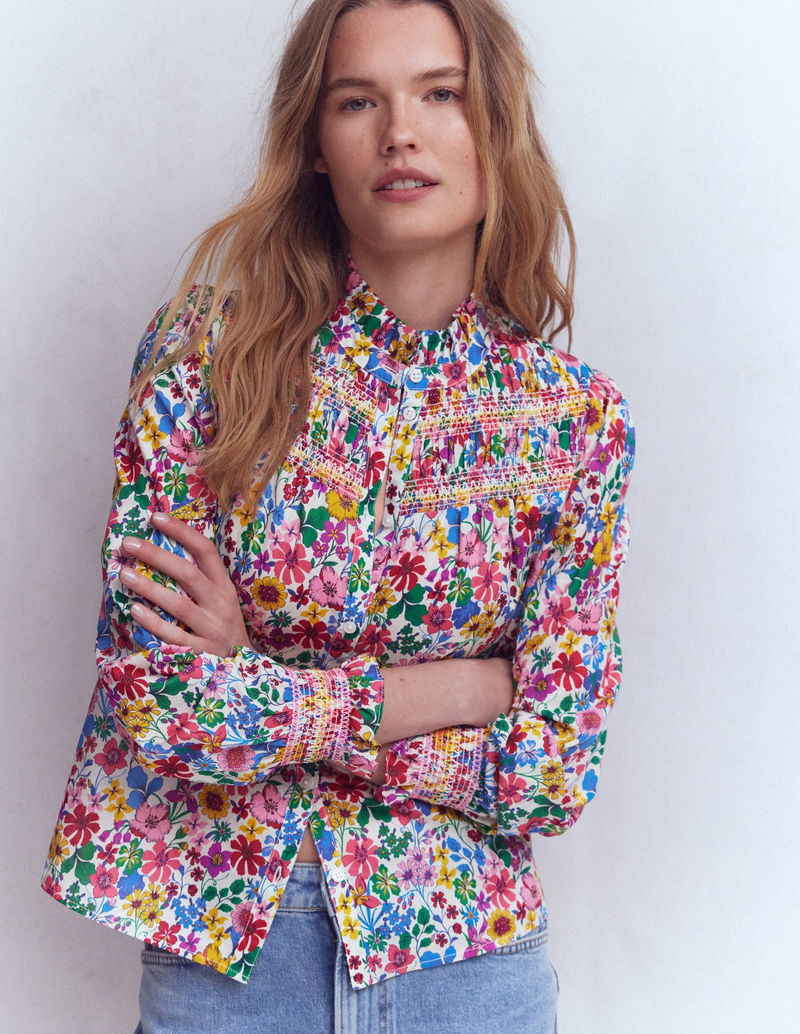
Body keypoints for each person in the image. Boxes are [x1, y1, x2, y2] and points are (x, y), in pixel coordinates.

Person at [42, 1, 636, 1031]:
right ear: (315, 142)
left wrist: (267, 687)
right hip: (230, 953)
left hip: (466, 958)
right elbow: (167, 707)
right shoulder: (205, 364)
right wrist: (454, 690)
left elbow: (551, 772)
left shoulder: (573, 422)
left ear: (493, 123)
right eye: (357, 101)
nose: (400, 132)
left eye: (440, 94)